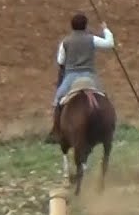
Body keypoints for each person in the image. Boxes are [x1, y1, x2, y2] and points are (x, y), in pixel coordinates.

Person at [48, 13, 115, 143]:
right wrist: (105, 29)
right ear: (86, 26)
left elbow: (60, 61)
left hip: (71, 77)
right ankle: (108, 127)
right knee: (103, 97)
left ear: (72, 26)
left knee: (58, 100)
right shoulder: (91, 39)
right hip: (90, 76)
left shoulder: (65, 42)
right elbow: (109, 44)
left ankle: (56, 130)